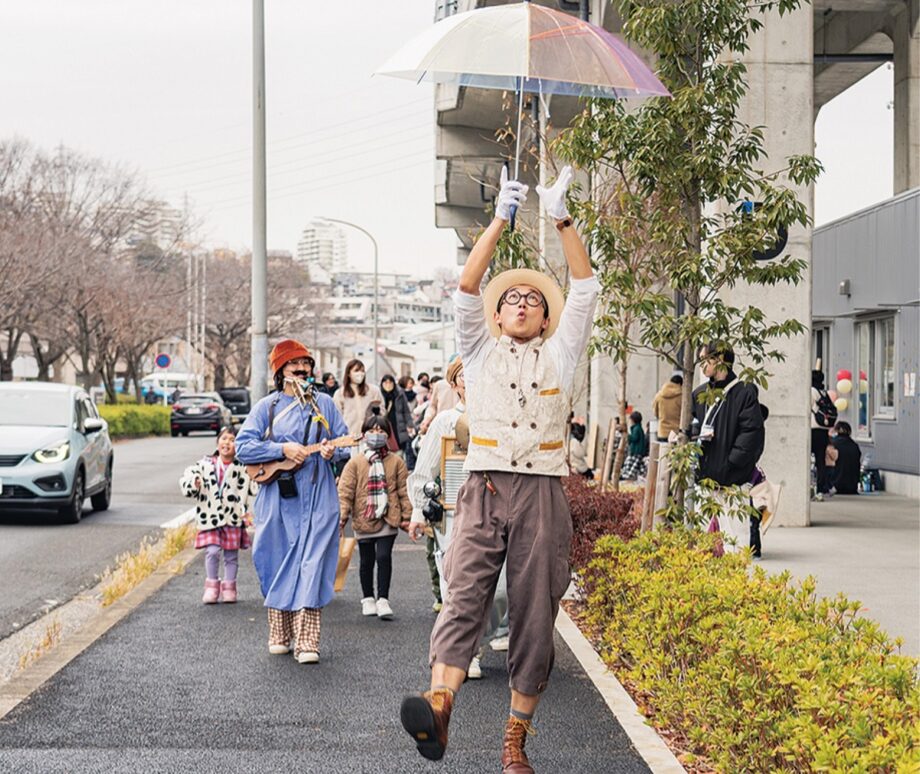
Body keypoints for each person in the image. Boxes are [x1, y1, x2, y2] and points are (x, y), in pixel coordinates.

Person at [399, 165, 599, 773]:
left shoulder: (562, 352)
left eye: (532, 300)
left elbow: (587, 289)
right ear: (497, 315)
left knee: (535, 609)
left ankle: (515, 739)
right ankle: (439, 706)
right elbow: (466, 287)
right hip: (484, 487)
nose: (519, 302)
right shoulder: (478, 350)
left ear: (545, 320)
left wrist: (560, 217)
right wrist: (499, 220)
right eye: (510, 298)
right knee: (464, 596)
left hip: (541, 492)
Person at [236, 339, 351, 665]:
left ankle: (307, 641)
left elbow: (344, 444)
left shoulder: (325, 404)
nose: (302, 370)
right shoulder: (266, 407)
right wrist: (281, 450)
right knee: (275, 561)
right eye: (294, 365)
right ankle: (279, 633)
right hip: (277, 499)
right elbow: (244, 448)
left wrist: (333, 451)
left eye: (306, 365)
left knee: (313, 564)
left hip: (318, 496)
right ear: (280, 371)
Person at [691, 341, 765, 553]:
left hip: (733, 482)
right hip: (704, 480)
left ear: (720, 360)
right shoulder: (699, 394)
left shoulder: (744, 392)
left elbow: (751, 434)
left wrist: (732, 464)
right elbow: (693, 428)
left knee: (735, 540)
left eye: (706, 360)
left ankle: (736, 584)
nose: (702, 365)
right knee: (701, 542)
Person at [337, 414, 412, 620]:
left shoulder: (396, 462)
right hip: (363, 517)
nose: (376, 435)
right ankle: (368, 598)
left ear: (388, 434)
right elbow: (345, 491)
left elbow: (404, 490)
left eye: (381, 431)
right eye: (372, 431)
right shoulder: (355, 462)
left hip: (389, 515)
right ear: (364, 434)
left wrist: (407, 516)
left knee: (384, 557)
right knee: (367, 560)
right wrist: (342, 517)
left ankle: (383, 599)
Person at [180, 425, 257, 604]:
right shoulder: (205, 464)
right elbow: (187, 478)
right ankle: (212, 587)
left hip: (233, 517)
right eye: (224, 439)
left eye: (232, 440)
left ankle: (230, 588)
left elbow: (254, 487)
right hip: (210, 517)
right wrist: (195, 483)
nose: (227, 443)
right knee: (212, 551)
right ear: (217, 442)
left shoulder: (242, 467)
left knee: (231, 555)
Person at [334, 359, 383, 441]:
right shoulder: (340, 393)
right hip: (349, 437)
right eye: (356, 370)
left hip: (370, 437)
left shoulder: (373, 390)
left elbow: (382, 412)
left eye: (362, 371)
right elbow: (337, 418)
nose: (360, 373)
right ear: (349, 373)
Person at [810, 370, 832, 501]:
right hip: (823, 430)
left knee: (807, 459)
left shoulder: (812, 391)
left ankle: (809, 487)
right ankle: (821, 487)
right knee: (820, 461)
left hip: (813, 429)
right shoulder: (824, 392)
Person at [380, 374, 414, 456]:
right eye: (386, 382)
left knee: (399, 448)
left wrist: (409, 424)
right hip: (384, 423)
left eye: (390, 382)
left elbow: (406, 410)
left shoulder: (399, 394)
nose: (388, 385)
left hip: (398, 423)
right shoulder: (379, 394)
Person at [830, 421, 861, 494]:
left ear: (836, 430)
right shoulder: (854, 445)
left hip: (836, 485)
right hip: (852, 486)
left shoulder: (833, 444)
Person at [652, 374, 683, 442]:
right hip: (677, 432)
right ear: (680, 384)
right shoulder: (682, 396)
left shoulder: (659, 395)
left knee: (663, 451)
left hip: (662, 432)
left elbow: (655, 413)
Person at [620, 411, 648, 480]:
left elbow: (634, 438)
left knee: (631, 466)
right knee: (635, 466)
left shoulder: (636, 428)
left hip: (636, 451)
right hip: (638, 451)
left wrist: (627, 435)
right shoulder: (638, 428)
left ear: (633, 420)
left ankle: (627, 476)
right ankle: (628, 476)